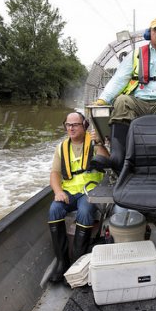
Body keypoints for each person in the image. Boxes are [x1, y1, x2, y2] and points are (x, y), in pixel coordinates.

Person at [90, 16, 156, 172]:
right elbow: (118, 80)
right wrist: (103, 99)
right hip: (139, 102)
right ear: (149, 34)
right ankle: (119, 157)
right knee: (122, 100)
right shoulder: (135, 56)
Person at [47, 111, 109, 283]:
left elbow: (108, 160)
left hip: (88, 191)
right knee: (54, 210)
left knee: (84, 211)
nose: (71, 128)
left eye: (75, 124)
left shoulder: (94, 143)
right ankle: (62, 262)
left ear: (84, 126)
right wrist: (58, 192)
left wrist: (99, 142)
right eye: (68, 125)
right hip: (68, 192)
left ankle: (77, 264)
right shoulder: (61, 147)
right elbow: (54, 174)